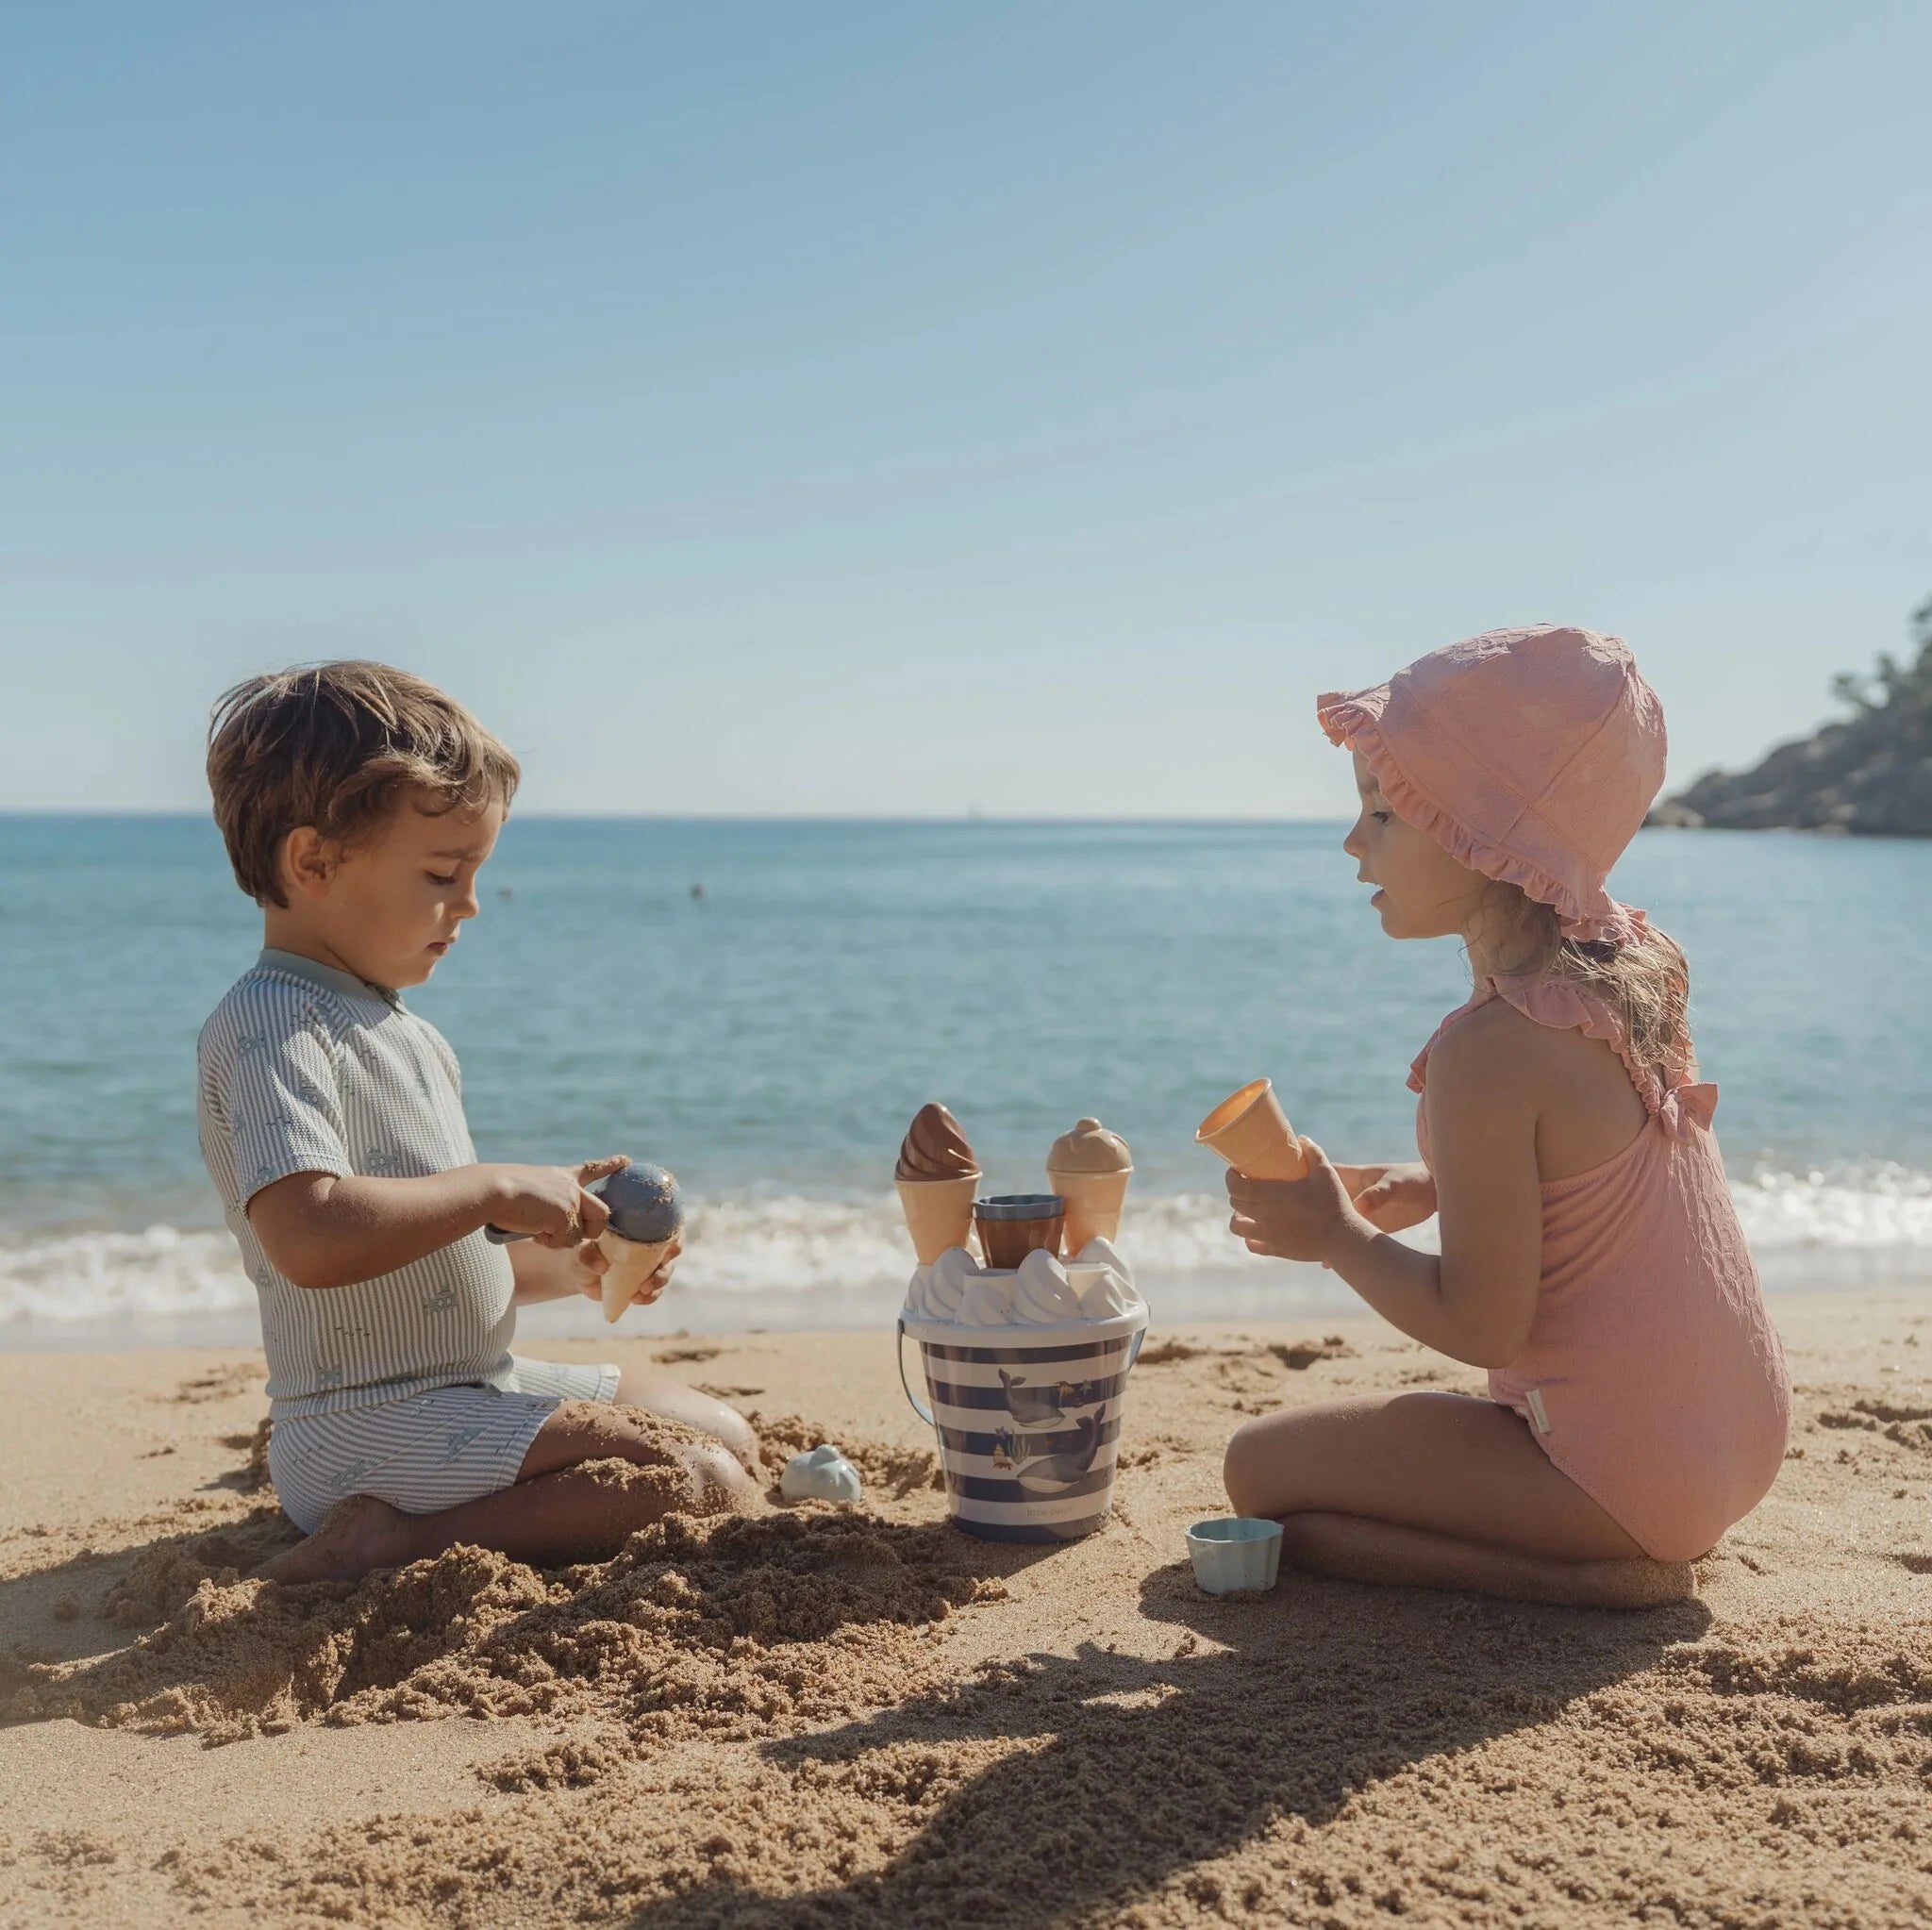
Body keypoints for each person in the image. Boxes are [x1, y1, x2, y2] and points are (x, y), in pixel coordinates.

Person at [1221, 625, 1790, 1607]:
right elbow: (1588, 1159)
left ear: (1482, 836)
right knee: (1300, 1493)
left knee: (1259, 1478)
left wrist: (1336, 1237)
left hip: (1614, 1480)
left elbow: (1482, 1326)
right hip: (1734, 1444)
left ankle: (1588, 1578)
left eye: (1383, 813)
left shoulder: (1481, 1055)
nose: (1354, 841)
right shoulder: (1633, 964)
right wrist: (1428, 1187)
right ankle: (1615, 1547)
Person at [195, 661, 760, 1585]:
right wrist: (496, 1186)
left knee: (722, 1433)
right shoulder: (272, 1023)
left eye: (475, 873)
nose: (468, 903)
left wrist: (571, 1266)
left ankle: (437, 1519)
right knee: (697, 1480)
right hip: (361, 1421)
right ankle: (384, 1542)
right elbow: (310, 1236)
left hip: (464, 1384)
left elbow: (432, 1262)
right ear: (313, 862)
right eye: (442, 872)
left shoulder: (408, 1034)